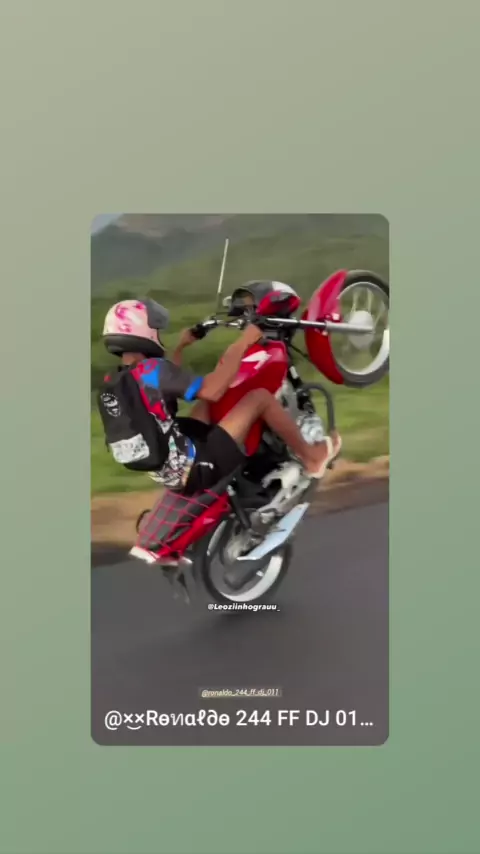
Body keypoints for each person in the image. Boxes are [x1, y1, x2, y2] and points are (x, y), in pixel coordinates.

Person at [97, 298, 342, 498]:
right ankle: (312, 458)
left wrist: (182, 346)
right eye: (157, 330)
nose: (159, 334)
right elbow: (213, 390)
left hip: (169, 470)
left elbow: (171, 384)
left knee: (206, 402)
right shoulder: (152, 370)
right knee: (259, 398)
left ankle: (256, 454)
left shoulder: (121, 378)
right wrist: (243, 342)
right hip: (195, 468)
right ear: (144, 331)